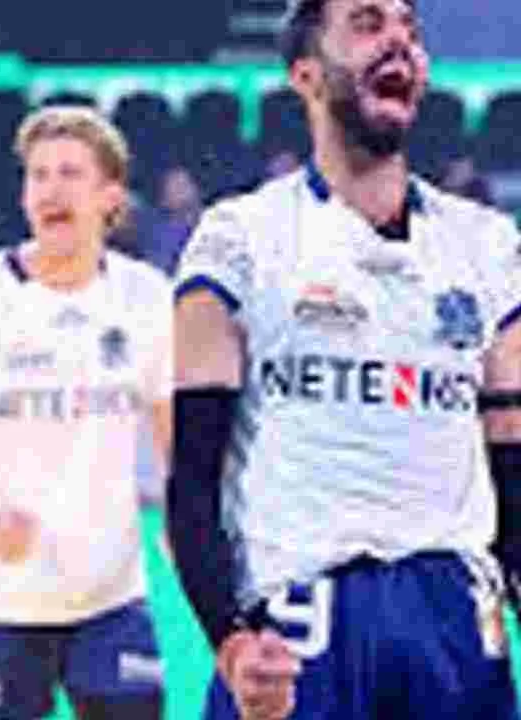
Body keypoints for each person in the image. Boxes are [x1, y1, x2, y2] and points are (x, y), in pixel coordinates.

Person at [168, 1, 521, 719]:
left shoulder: (487, 244)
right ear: (305, 74)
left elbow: (513, 455)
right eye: (367, 23)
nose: (399, 42)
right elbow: (194, 476)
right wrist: (230, 642)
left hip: (453, 612)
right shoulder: (238, 239)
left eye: (410, 29)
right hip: (298, 619)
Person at [0, 104, 172, 720]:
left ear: (110, 196)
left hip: (111, 600)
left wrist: (189, 531)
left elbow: (180, 446)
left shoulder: (147, 299)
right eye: (38, 175)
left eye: (70, 174)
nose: (50, 191)